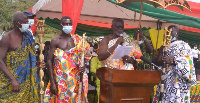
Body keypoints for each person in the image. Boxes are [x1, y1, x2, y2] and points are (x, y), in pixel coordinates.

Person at [43, 16, 91, 103]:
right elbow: (49, 61)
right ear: (61, 25)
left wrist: (83, 66)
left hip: (75, 79)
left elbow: (83, 58)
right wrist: (52, 82)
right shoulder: (56, 40)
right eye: (65, 24)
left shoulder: (77, 40)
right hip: (60, 79)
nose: (68, 26)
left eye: (69, 24)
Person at [0, 11, 44, 102]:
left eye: (27, 22)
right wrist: (13, 79)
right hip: (11, 81)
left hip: (27, 81)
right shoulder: (7, 38)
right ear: (16, 23)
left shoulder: (28, 37)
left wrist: (37, 63)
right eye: (24, 22)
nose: (27, 24)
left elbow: (29, 57)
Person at [156, 25, 196, 103]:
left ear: (176, 33)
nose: (169, 34)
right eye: (167, 32)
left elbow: (188, 60)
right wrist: (162, 49)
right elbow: (158, 61)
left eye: (172, 32)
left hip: (178, 80)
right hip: (167, 80)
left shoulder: (183, 45)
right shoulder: (165, 46)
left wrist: (173, 60)